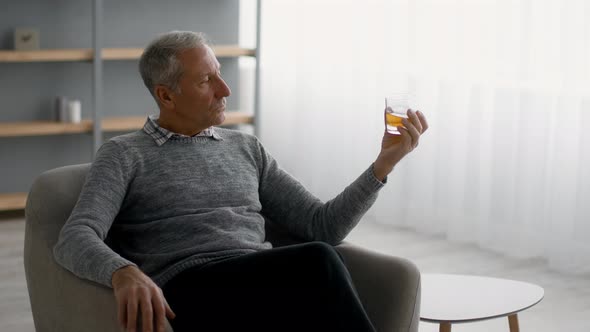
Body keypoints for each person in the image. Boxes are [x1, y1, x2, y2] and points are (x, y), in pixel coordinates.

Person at [53, 31, 428, 332]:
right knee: (317, 262)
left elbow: (323, 226)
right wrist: (123, 271)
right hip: (188, 289)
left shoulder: (246, 148)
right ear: (166, 95)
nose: (225, 89)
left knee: (316, 264)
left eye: (219, 73)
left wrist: (383, 164)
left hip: (258, 283)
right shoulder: (124, 154)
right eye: (206, 80)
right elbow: (75, 236)